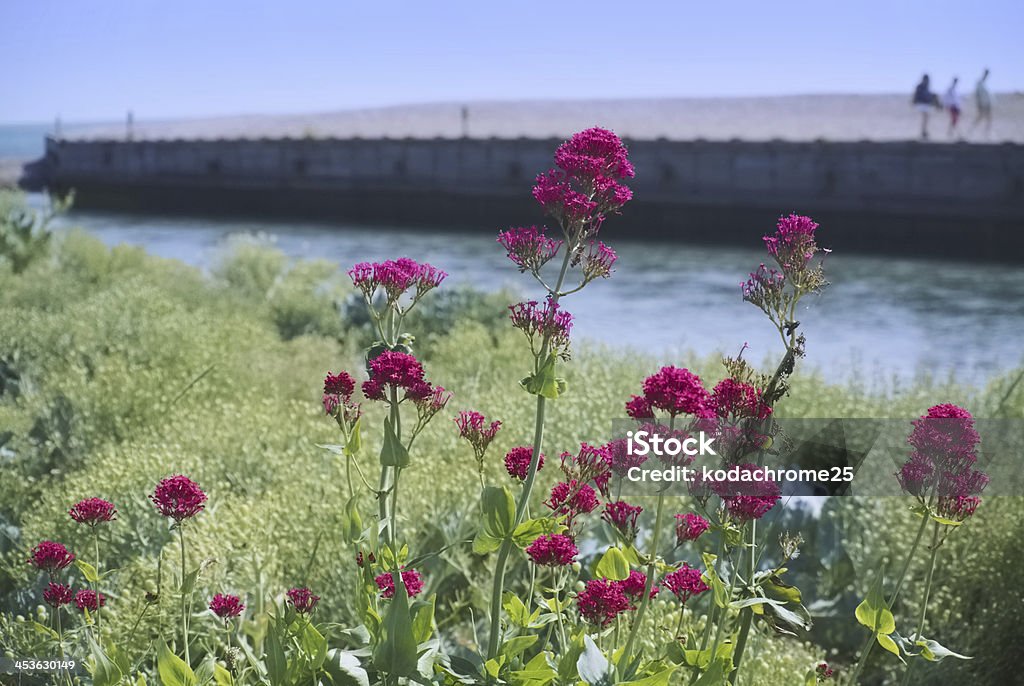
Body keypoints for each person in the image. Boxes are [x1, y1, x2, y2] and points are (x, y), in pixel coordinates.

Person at [912, 74, 938, 140]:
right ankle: (923, 132)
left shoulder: (926, 87)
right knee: (925, 117)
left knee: (926, 118)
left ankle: (924, 131)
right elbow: (917, 96)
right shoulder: (920, 87)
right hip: (921, 104)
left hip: (925, 104)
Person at [970, 68, 993, 139]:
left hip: (987, 104)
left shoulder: (984, 84)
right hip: (982, 104)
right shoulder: (979, 83)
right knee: (980, 118)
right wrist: (979, 104)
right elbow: (977, 94)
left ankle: (986, 134)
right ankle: (971, 131)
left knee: (988, 119)